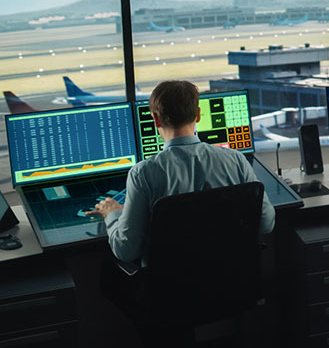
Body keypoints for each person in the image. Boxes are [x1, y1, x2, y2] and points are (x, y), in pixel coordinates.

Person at [89, 80, 275, 264]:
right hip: (234, 283)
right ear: (199, 115)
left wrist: (112, 214)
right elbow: (266, 223)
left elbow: (126, 250)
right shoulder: (235, 160)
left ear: (156, 119)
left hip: (173, 290)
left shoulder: (143, 173)